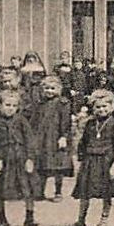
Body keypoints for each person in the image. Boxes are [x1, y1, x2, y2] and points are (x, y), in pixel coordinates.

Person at [69, 90, 114, 226]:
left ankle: (104, 220)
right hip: (90, 161)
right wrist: (80, 159)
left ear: (111, 106)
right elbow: (83, 142)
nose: (101, 110)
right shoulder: (90, 124)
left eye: (104, 106)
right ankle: (81, 220)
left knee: (106, 192)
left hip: (106, 162)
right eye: (98, 107)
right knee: (84, 191)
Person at [0, 89, 40, 226]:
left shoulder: (21, 120)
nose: (11, 109)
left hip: (20, 157)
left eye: (14, 106)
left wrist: (30, 158)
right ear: (0, 105)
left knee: (27, 188)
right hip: (3, 158)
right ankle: (2, 219)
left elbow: (29, 140)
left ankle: (29, 217)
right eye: (7, 105)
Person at [31, 74, 75, 202]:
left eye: (52, 88)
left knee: (58, 167)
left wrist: (64, 136)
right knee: (42, 165)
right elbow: (35, 121)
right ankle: (40, 191)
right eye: (47, 88)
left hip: (56, 137)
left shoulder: (63, 103)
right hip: (43, 139)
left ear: (58, 89)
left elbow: (66, 122)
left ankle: (58, 191)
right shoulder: (40, 104)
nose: (49, 91)